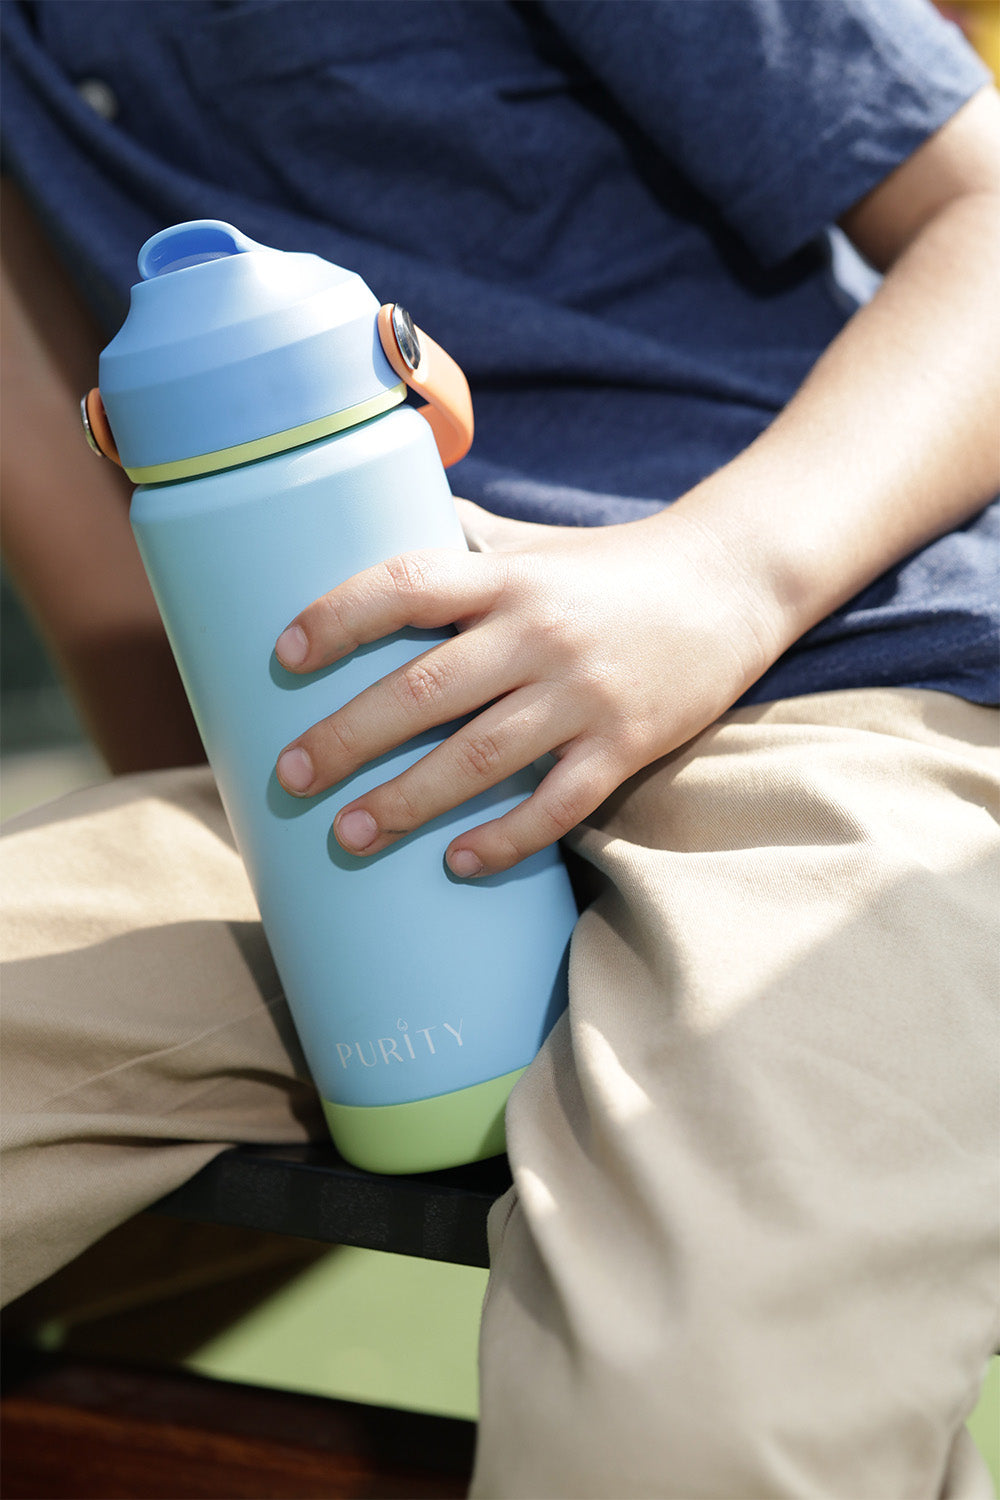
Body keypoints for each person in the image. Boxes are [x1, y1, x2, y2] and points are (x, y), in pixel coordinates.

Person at [2, 1, 998, 1494]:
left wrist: (721, 579)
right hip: (321, 778)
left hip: (830, 681)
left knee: (685, 1426)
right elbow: (104, 590)